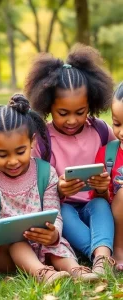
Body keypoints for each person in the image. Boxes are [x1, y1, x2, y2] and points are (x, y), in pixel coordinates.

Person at [0, 94, 99, 285]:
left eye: (20, 151)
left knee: (55, 246)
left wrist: (54, 234)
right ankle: (43, 273)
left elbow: (55, 214)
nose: (12, 161)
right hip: (4, 252)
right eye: (2, 154)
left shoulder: (46, 172)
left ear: (32, 142)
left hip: (42, 244)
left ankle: (75, 269)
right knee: (17, 241)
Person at [26, 44, 116, 275]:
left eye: (81, 112)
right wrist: (60, 189)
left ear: (91, 104)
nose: (72, 120)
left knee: (99, 205)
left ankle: (104, 257)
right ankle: (97, 254)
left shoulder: (101, 131)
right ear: (48, 105)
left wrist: (103, 185)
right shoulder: (43, 140)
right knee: (64, 214)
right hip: (63, 208)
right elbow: (35, 186)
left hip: (96, 201)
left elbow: (117, 159)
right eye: (63, 113)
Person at [94, 82, 123, 271]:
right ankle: (119, 250)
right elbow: (102, 202)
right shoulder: (107, 154)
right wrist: (101, 188)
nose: (121, 132)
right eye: (117, 123)